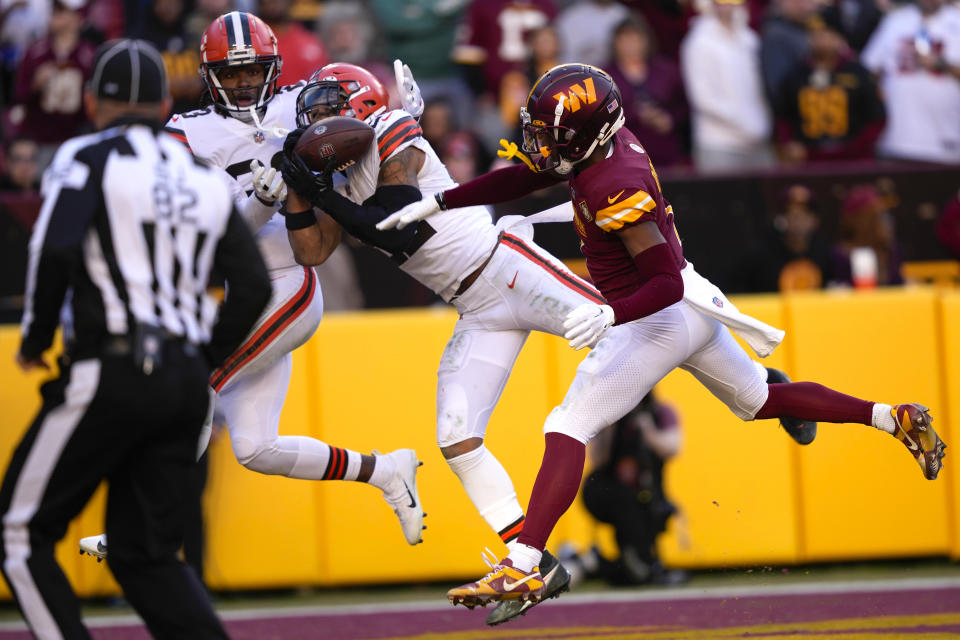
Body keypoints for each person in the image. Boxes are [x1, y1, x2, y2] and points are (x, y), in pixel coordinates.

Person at [378, 63, 947, 607]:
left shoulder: (613, 183)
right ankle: (890, 416)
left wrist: (609, 316)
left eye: (552, 136)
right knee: (760, 400)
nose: (540, 144)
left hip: (659, 314)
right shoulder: (605, 146)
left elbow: (663, 285)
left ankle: (524, 565)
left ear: (583, 137)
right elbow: (537, 173)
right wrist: (444, 199)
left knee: (566, 424)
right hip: (691, 305)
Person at [279, 61, 811, 625]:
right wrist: (296, 191)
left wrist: (315, 189)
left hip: (508, 269)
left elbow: (395, 224)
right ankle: (527, 561)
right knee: (456, 437)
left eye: (327, 113)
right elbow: (312, 252)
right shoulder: (339, 175)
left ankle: (758, 378)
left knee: (637, 324)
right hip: (475, 309)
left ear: (361, 108)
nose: (318, 126)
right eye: (313, 116)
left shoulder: (393, 131)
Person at [76, 11, 426, 563]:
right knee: (255, 447)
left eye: (252, 70)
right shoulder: (187, 133)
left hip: (289, 285)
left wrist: (402, 115)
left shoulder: (304, 100)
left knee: (194, 390)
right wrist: (258, 199)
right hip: (247, 288)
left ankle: (142, 529)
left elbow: (366, 116)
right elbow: (217, 234)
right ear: (209, 74)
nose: (242, 82)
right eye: (231, 73)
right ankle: (386, 471)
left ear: (274, 67)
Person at [0, 38, 271, 639]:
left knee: (19, 534)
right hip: (183, 383)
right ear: (160, 105)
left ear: (94, 101)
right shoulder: (198, 175)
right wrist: (197, 357)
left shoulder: (87, 155)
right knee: (144, 554)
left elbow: (56, 247)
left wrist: (35, 337)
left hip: (114, 367)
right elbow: (250, 285)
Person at [579, 391, 687, 586]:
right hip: (607, 492)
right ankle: (643, 565)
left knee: (642, 509)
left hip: (645, 492)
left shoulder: (659, 413)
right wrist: (609, 426)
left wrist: (648, 431)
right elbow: (597, 460)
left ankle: (625, 566)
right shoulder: (607, 416)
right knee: (626, 503)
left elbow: (672, 448)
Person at [775, 8, 885, 164]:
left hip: (852, 161)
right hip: (809, 161)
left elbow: (877, 118)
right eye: (814, 34)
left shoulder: (858, 73)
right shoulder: (796, 75)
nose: (820, 40)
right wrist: (789, 143)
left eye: (826, 34)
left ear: (838, 37)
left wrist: (857, 149)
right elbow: (783, 116)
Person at [860, 0, 960, 164]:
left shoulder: (957, 21)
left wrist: (942, 64)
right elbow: (869, 69)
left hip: (948, 140)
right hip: (898, 141)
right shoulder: (896, 20)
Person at [680, 0, 774, 171]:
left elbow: (758, 89)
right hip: (719, 143)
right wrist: (744, 124)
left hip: (757, 141)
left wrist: (760, 124)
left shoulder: (749, 39)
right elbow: (702, 97)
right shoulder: (699, 41)